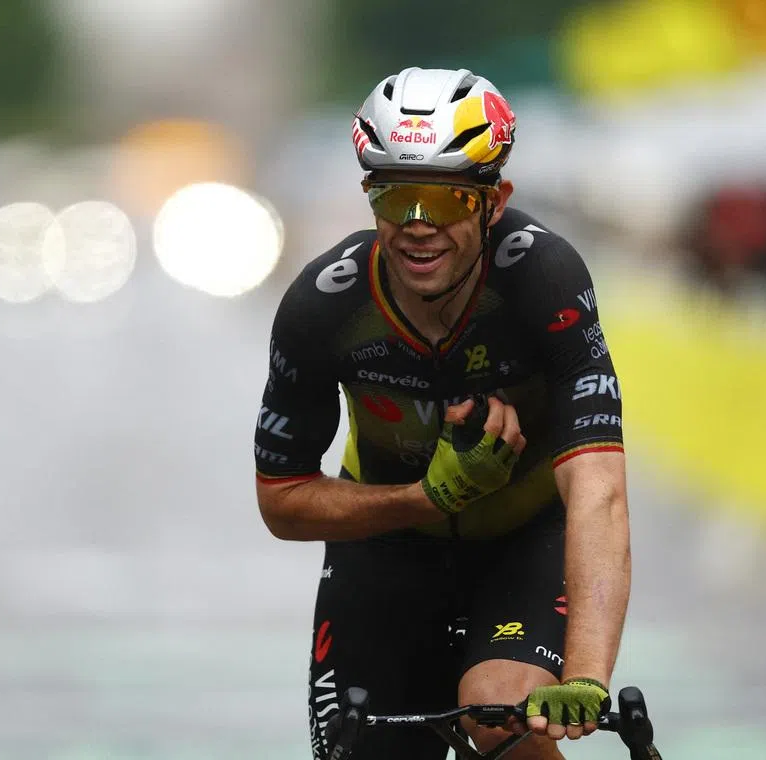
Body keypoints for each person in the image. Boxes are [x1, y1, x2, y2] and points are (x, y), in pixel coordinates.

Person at [253, 66, 631, 760]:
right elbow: (281, 502)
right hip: (387, 553)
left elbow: (599, 493)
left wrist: (584, 675)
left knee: (500, 715)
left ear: (494, 202)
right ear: (371, 199)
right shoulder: (322, 308)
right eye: (399, 198)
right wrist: (424, 497)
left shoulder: (544, 282)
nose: (418, 227)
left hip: (522, 544)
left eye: (446, 198)